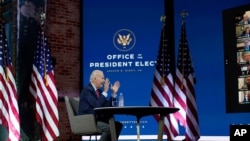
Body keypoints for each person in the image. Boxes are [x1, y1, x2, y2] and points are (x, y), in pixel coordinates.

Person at [78, 70, 123, 141]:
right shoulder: (87, 90)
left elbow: (107, 106)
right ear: (95, 79)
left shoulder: (99, 92)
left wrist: (113, 94)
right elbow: (97, 105)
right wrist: (105, 91)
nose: (104, 80)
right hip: (88, 120)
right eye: (102, 78)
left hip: (98, 118)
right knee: (109, 129)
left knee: (117, 125)